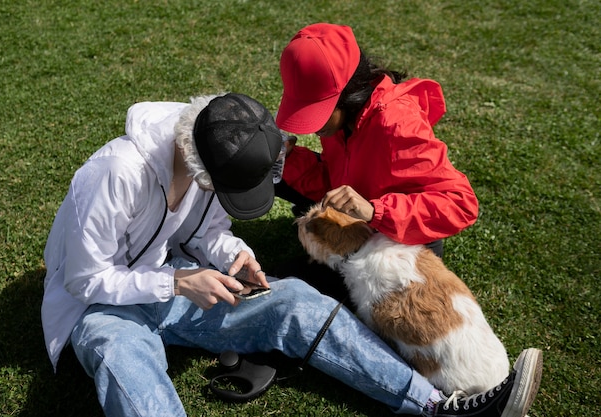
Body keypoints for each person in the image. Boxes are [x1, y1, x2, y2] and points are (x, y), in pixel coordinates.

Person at [41, 92, 542, 417]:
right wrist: (177, 283)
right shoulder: (113, 175)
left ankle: (439, 406)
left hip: (170, 277)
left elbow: (208, 227)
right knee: (123, 356)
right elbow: (84, 281)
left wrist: (233, 251)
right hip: (99, 306)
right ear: (203, 166)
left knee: (296, 300)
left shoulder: (215, 142)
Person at [271, 22, 479, 301]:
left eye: (317, 110)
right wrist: (288, 158)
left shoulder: (397, 125)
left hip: (396, 242)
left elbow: (460, 203)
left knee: (286, 286)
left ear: (346, 95)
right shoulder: (343, 119)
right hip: (358, 219)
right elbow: (336, 179)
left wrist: (374, 211)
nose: (310, 126)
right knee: (264, 161)